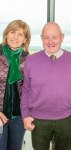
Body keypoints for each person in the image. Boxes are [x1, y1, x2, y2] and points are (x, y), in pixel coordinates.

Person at [21, 22, 71, 150]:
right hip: (39, 120)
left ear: (62, 37)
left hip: (66, 118)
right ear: (42, 38)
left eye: (54, 37)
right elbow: (26, 90)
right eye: (46, 37)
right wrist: (25, 116)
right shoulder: (31, 61)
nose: (50, 41)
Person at [0, 20, 31, 150]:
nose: (15, 37)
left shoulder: (28, 59)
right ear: (6, 34)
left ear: (25, 39)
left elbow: (31, 88)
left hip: (19, 116)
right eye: (12, 32)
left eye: (20, 34)